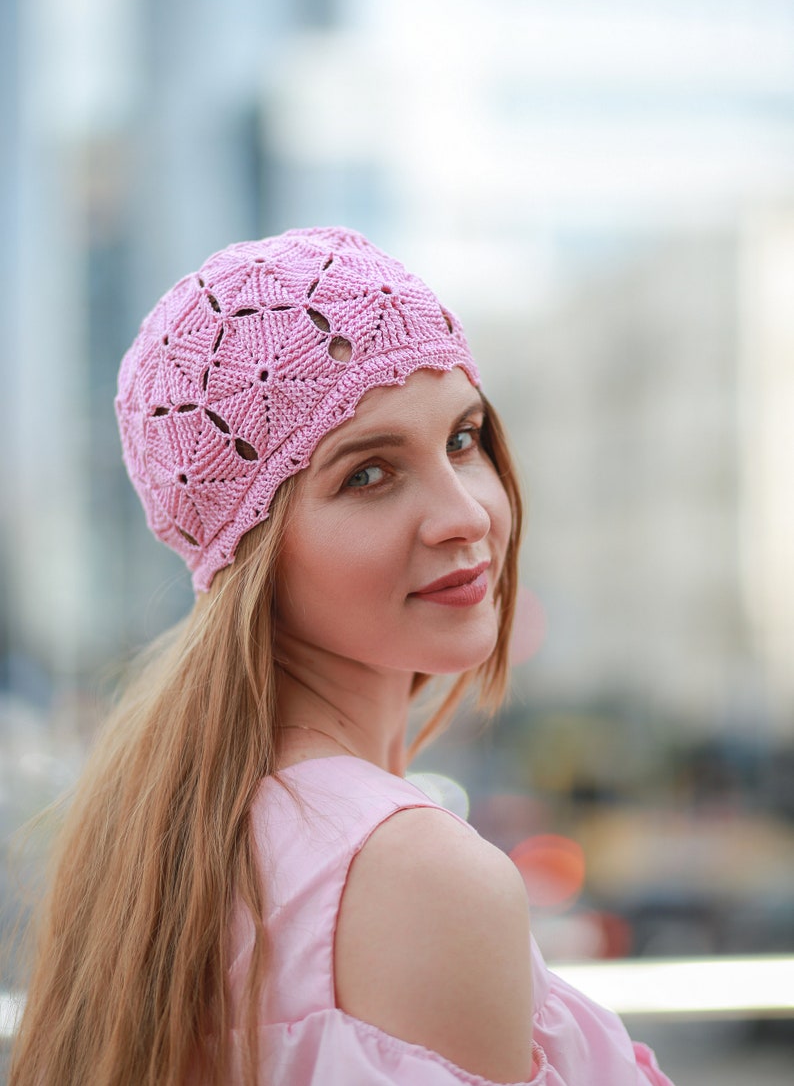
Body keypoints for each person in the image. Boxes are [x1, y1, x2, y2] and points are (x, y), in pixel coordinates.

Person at [9, 227, 674, 1085]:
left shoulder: (170, 828)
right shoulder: (416, 873)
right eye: (368, 474)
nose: (465, 512)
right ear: (250, 552)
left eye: (465, 439)